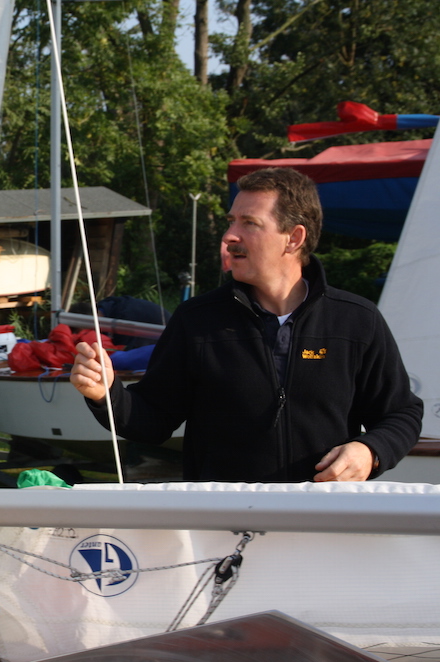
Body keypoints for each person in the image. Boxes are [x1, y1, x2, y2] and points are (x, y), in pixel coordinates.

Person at [70, 167, 422, 483]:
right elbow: (152, 421)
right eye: (231, 221)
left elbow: (401, 414)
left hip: (323, 520)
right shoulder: (197, 320)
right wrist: (106, 393)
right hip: (224, 521)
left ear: (294, 238)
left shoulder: (356, 320)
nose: (229, 236)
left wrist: (370, 451)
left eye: (249, 223)